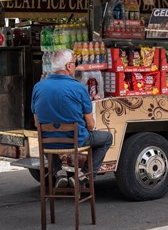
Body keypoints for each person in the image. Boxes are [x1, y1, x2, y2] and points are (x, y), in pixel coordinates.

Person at [31, 48, 112, 188]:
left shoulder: (38, 87)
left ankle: (59, 172)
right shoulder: (78, 88)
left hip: (47, 143)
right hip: (75, 141)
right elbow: (91, 125)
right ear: (69, 66)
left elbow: (37, 123)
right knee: (107, 138)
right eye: (75, 63)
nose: (76, 67)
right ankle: (83, 176)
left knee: (48, 140)